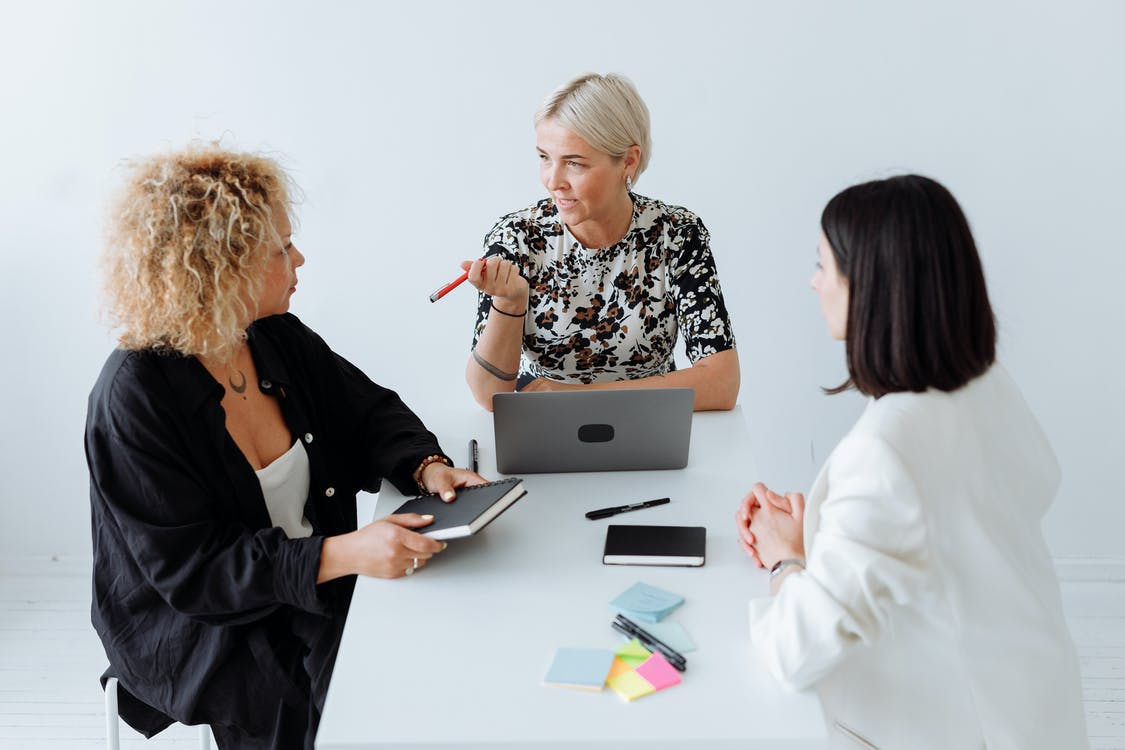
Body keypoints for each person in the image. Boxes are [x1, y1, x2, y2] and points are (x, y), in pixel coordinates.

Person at [86, 144, 484, 750]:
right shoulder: (133, 398)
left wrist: (428, 467)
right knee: (334, 704)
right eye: (280, 249)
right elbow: (196, 573)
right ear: (219, 269)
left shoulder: (273, 336)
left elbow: (369, 412)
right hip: (202, 625)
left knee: (427, 651)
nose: (299, 258)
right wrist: (345, 554)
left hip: (310, 577)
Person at [736, 175, 1088, 748]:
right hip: (1034, 707)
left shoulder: (885, 449)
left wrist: (788, 560)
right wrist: (827, 537)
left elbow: (793, 651)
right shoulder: (987, 387)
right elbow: (937, 539)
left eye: (823, 266)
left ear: (870, 288)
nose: (812, 282)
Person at [462, 72, 739, 411]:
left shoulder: (677, 233)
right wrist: (510, 302)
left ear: (629, 160)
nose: (553, 181)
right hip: (546, 427)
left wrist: (578, 398)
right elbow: (490, 395)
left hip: (647, 423)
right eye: (544, 157)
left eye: (574, 164)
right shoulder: (517, 237)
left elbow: (723, 382)